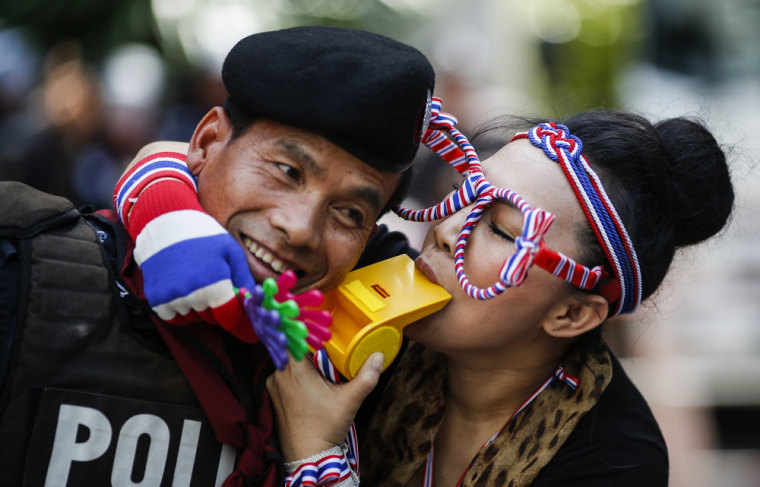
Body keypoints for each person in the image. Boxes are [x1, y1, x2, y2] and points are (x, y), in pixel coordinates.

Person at [0, 25, 444, 486]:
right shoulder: (24, 267)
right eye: (287, 171)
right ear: (207, 141)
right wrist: (160, 196)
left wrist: (318, 458)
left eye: (349, 213)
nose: (300, 228)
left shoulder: (364, 365)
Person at [265, 108, 734, 486]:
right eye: (464, 193)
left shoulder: (614, 460)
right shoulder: (380, 283)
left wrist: (316, 458)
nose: (446, 231)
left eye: (500, 230)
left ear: (572, 313)